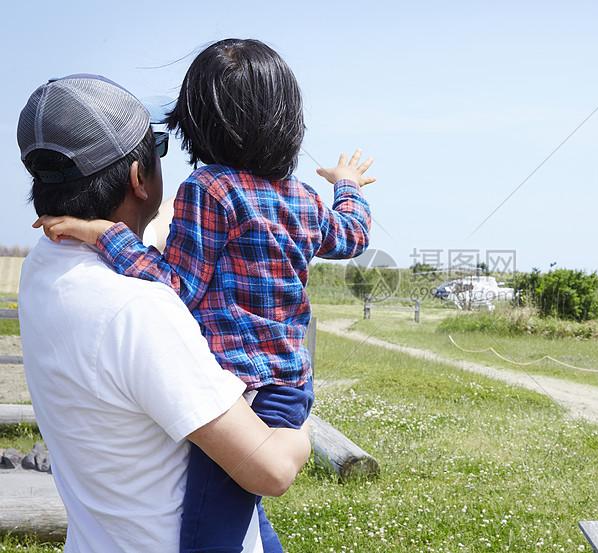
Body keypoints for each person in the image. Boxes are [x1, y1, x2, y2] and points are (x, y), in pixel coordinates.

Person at [35, 38, 374, 553]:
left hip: (243, 388)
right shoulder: (303, 199)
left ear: (198, 121)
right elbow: (353, 234)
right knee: (245, 520)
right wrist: (348, 186)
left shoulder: (208, 190)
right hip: (287, 389)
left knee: (210, 536)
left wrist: (102, 234)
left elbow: (175, 285)